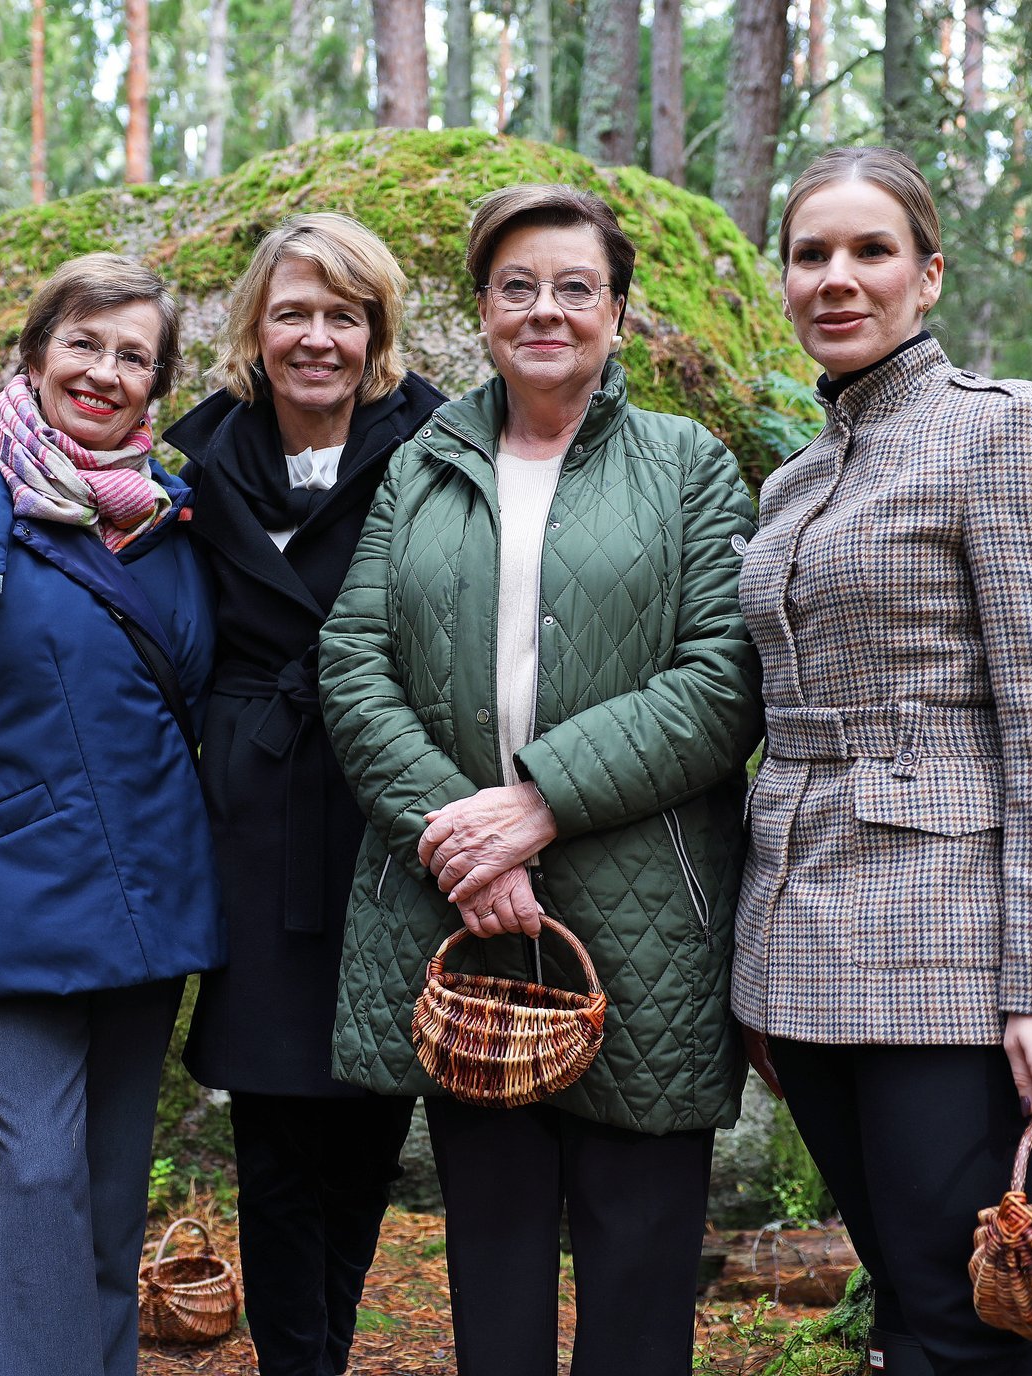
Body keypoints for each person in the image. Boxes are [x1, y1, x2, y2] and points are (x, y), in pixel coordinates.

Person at [318, 184, 764, 1376]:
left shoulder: (687, 466)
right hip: (462, 919)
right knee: (495, 1265)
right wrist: (454, 841)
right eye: (517, 286)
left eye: (575, 286)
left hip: (644, 919)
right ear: (482, 310)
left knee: (637, 1269)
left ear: (618, 311)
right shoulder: (422, 461)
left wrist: (536, 802)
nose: (545, 308)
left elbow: (723, 679)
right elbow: (351, 659)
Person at [734, 146, 1032, 1376]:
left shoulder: (1000, 435)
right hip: (799, 955)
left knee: (966, 1321)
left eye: (869, 251)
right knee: (905, 1301)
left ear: (928, 275)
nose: (835, 278)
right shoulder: (792, 479)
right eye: (810, 254)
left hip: (949, 957)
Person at [0, 252, 222, 1376]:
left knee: (115, 1192)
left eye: (132, 355)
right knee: (38, 1176)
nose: (103, 371)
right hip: (5, 906)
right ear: (33, 351)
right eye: (83, 342)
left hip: (145, 905)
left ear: (155, 386)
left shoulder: (171, 521)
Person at [167, 214, 445, 1376]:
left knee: (366, 1118)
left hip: (381, 805)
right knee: (274, 1126)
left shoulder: (434, 446)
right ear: (255, 328)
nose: (316, 338)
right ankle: (298, 1361)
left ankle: (320, 1345)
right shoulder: (196, 461)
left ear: (375, 331)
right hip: (257, 807)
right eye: (293, 313)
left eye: (343, 315)